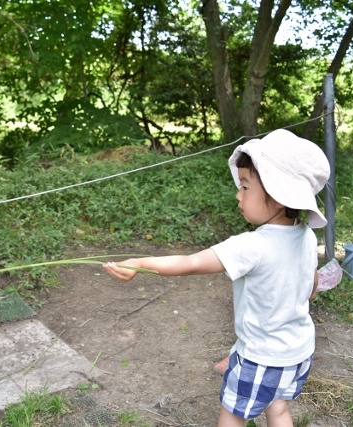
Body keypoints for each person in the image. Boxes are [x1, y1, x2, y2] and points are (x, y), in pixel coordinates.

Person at [103, 129, 330, 427]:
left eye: (246, 187)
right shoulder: (306, 237)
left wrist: (139, 262)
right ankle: (237, 362)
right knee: (278, 409)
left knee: (233, 415)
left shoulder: (252, 246)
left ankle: (239, 365)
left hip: (261, 357)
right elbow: (311, 289)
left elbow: (189, 263)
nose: (238, 193)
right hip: (297, 352)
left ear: (277, 196)